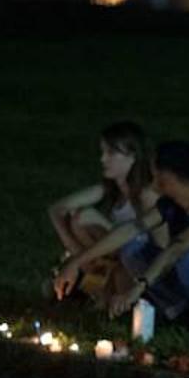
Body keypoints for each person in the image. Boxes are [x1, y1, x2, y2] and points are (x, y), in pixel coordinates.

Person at [53, 141, 189, 329]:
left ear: (167, 176)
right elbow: (132, 228)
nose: (151, 179)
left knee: (188, 257)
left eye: (154, 173)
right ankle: (178, 314)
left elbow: (176, 249)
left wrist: (137, 288)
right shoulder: (173, 202)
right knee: (132, 249)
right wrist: (76, 262)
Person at [45, 121, 158, 307]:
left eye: (111, 153)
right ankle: (93, 278)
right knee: (76, 217)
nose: (103, 159)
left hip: (136, 262)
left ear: (133, 156)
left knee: (83, 217)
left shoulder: (147, 195)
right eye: (103, 152)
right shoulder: (109, 190)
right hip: (107, 259)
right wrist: (76, 253)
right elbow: (56, 209)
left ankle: (96, 283)